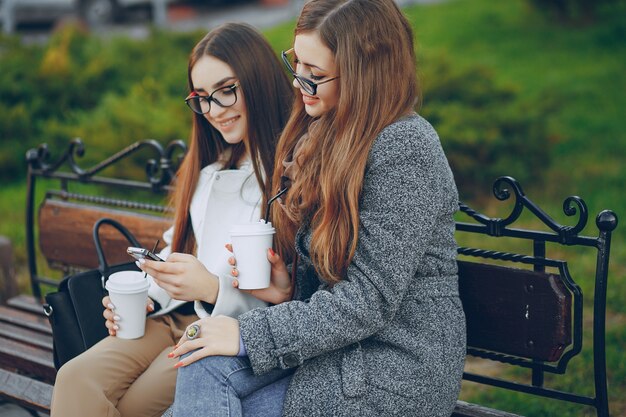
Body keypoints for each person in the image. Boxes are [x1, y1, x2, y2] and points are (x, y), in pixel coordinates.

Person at [158, 0, 467, 416]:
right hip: (334, 351)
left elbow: (366, 300)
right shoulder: (324, 135)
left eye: (315, 75)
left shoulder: (406, 149)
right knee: (200, 361)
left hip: (390, 369)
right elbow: (329, 283)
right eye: (297, 65)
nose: (299, 83)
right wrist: (288, 291)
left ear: (364, 75)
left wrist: (248, 333)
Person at [50, 22, 293, 417]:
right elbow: (176, 247)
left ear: (260, 80)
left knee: (136, 404)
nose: (215, 110)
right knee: (75, 378)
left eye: (227, 90)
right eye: (203, 98)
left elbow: (291, 298)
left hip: (222, 329)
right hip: (166, 316)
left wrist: (212, 288)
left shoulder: (291, 178)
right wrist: (145, 295)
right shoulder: (209, 169)